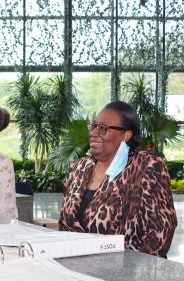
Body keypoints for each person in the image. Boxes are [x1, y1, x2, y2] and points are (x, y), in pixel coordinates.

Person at [59, 101, 177, 258]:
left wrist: (127, 274)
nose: (93, 133)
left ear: (125, 135)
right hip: (73, 269)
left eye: (102, 128)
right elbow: (65, 225)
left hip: (123, 274)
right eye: (93, 126)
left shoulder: (146, 166)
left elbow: (160, 231)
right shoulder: (78, 168)